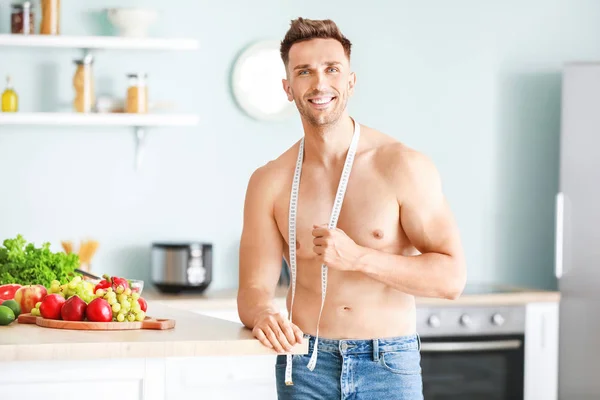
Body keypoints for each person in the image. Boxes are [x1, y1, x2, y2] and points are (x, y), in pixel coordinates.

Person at [237, 17, 466, 400]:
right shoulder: (270, 181)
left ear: (350, 81)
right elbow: (253, 288)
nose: (319, 83)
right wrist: (262, 315)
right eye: (304, 72)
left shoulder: (401, 166)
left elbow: (451, 278)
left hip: (387, 363)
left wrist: (359, 257)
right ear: (288, 88)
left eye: (331, 69)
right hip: (304, 363)